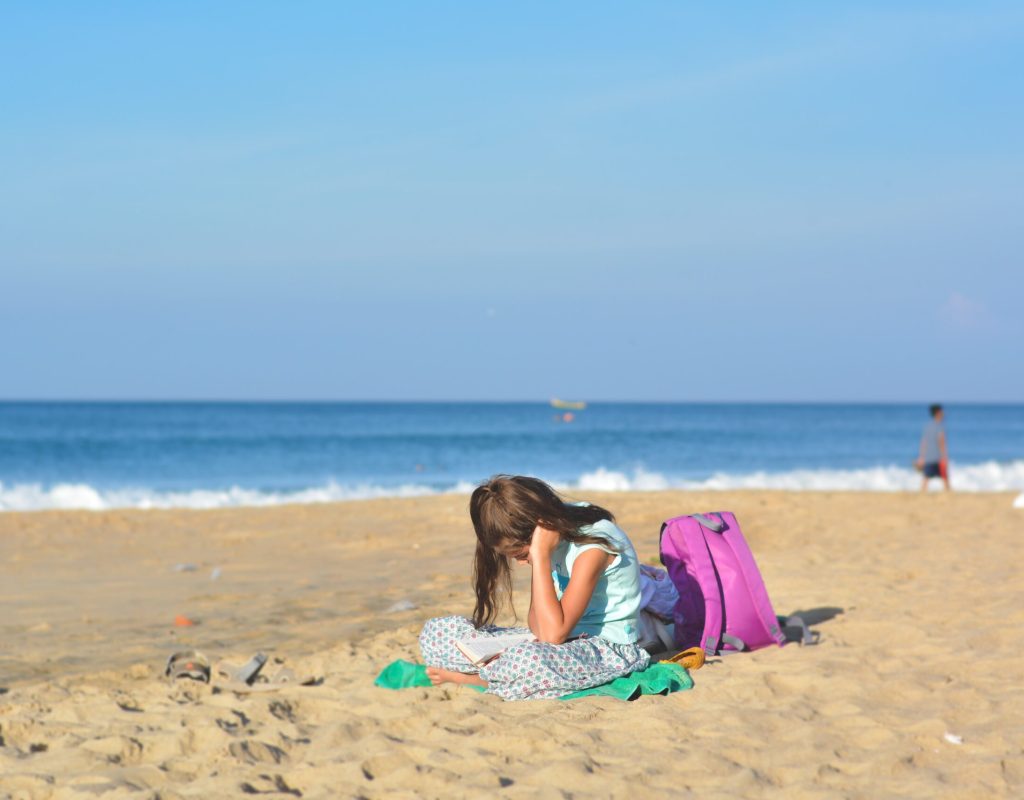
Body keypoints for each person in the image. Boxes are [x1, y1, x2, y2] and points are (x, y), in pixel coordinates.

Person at [419, 475, 650, 700]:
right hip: (560, 640)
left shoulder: (592, 548)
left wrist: (540, 556)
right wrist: (539, 557)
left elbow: (551, 635)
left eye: (521, 555)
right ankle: (499, 671)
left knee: (528, 661)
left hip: (607, 648)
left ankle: (479, 679)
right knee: (438, 633)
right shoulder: (550, 538)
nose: (520, 562)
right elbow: (537, 627)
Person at [915, 404, 950, 492]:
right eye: (942, 412)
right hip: (938, 458)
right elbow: (942, 442)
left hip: (928, 458)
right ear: (938, 413)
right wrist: (945, 457)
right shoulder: (940, 426)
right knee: (945, 478)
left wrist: (921, 457)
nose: (943, 414)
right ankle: (948, 494)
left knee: (926, 478)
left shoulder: (927, 426)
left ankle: (922, 494)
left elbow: (923, 443)